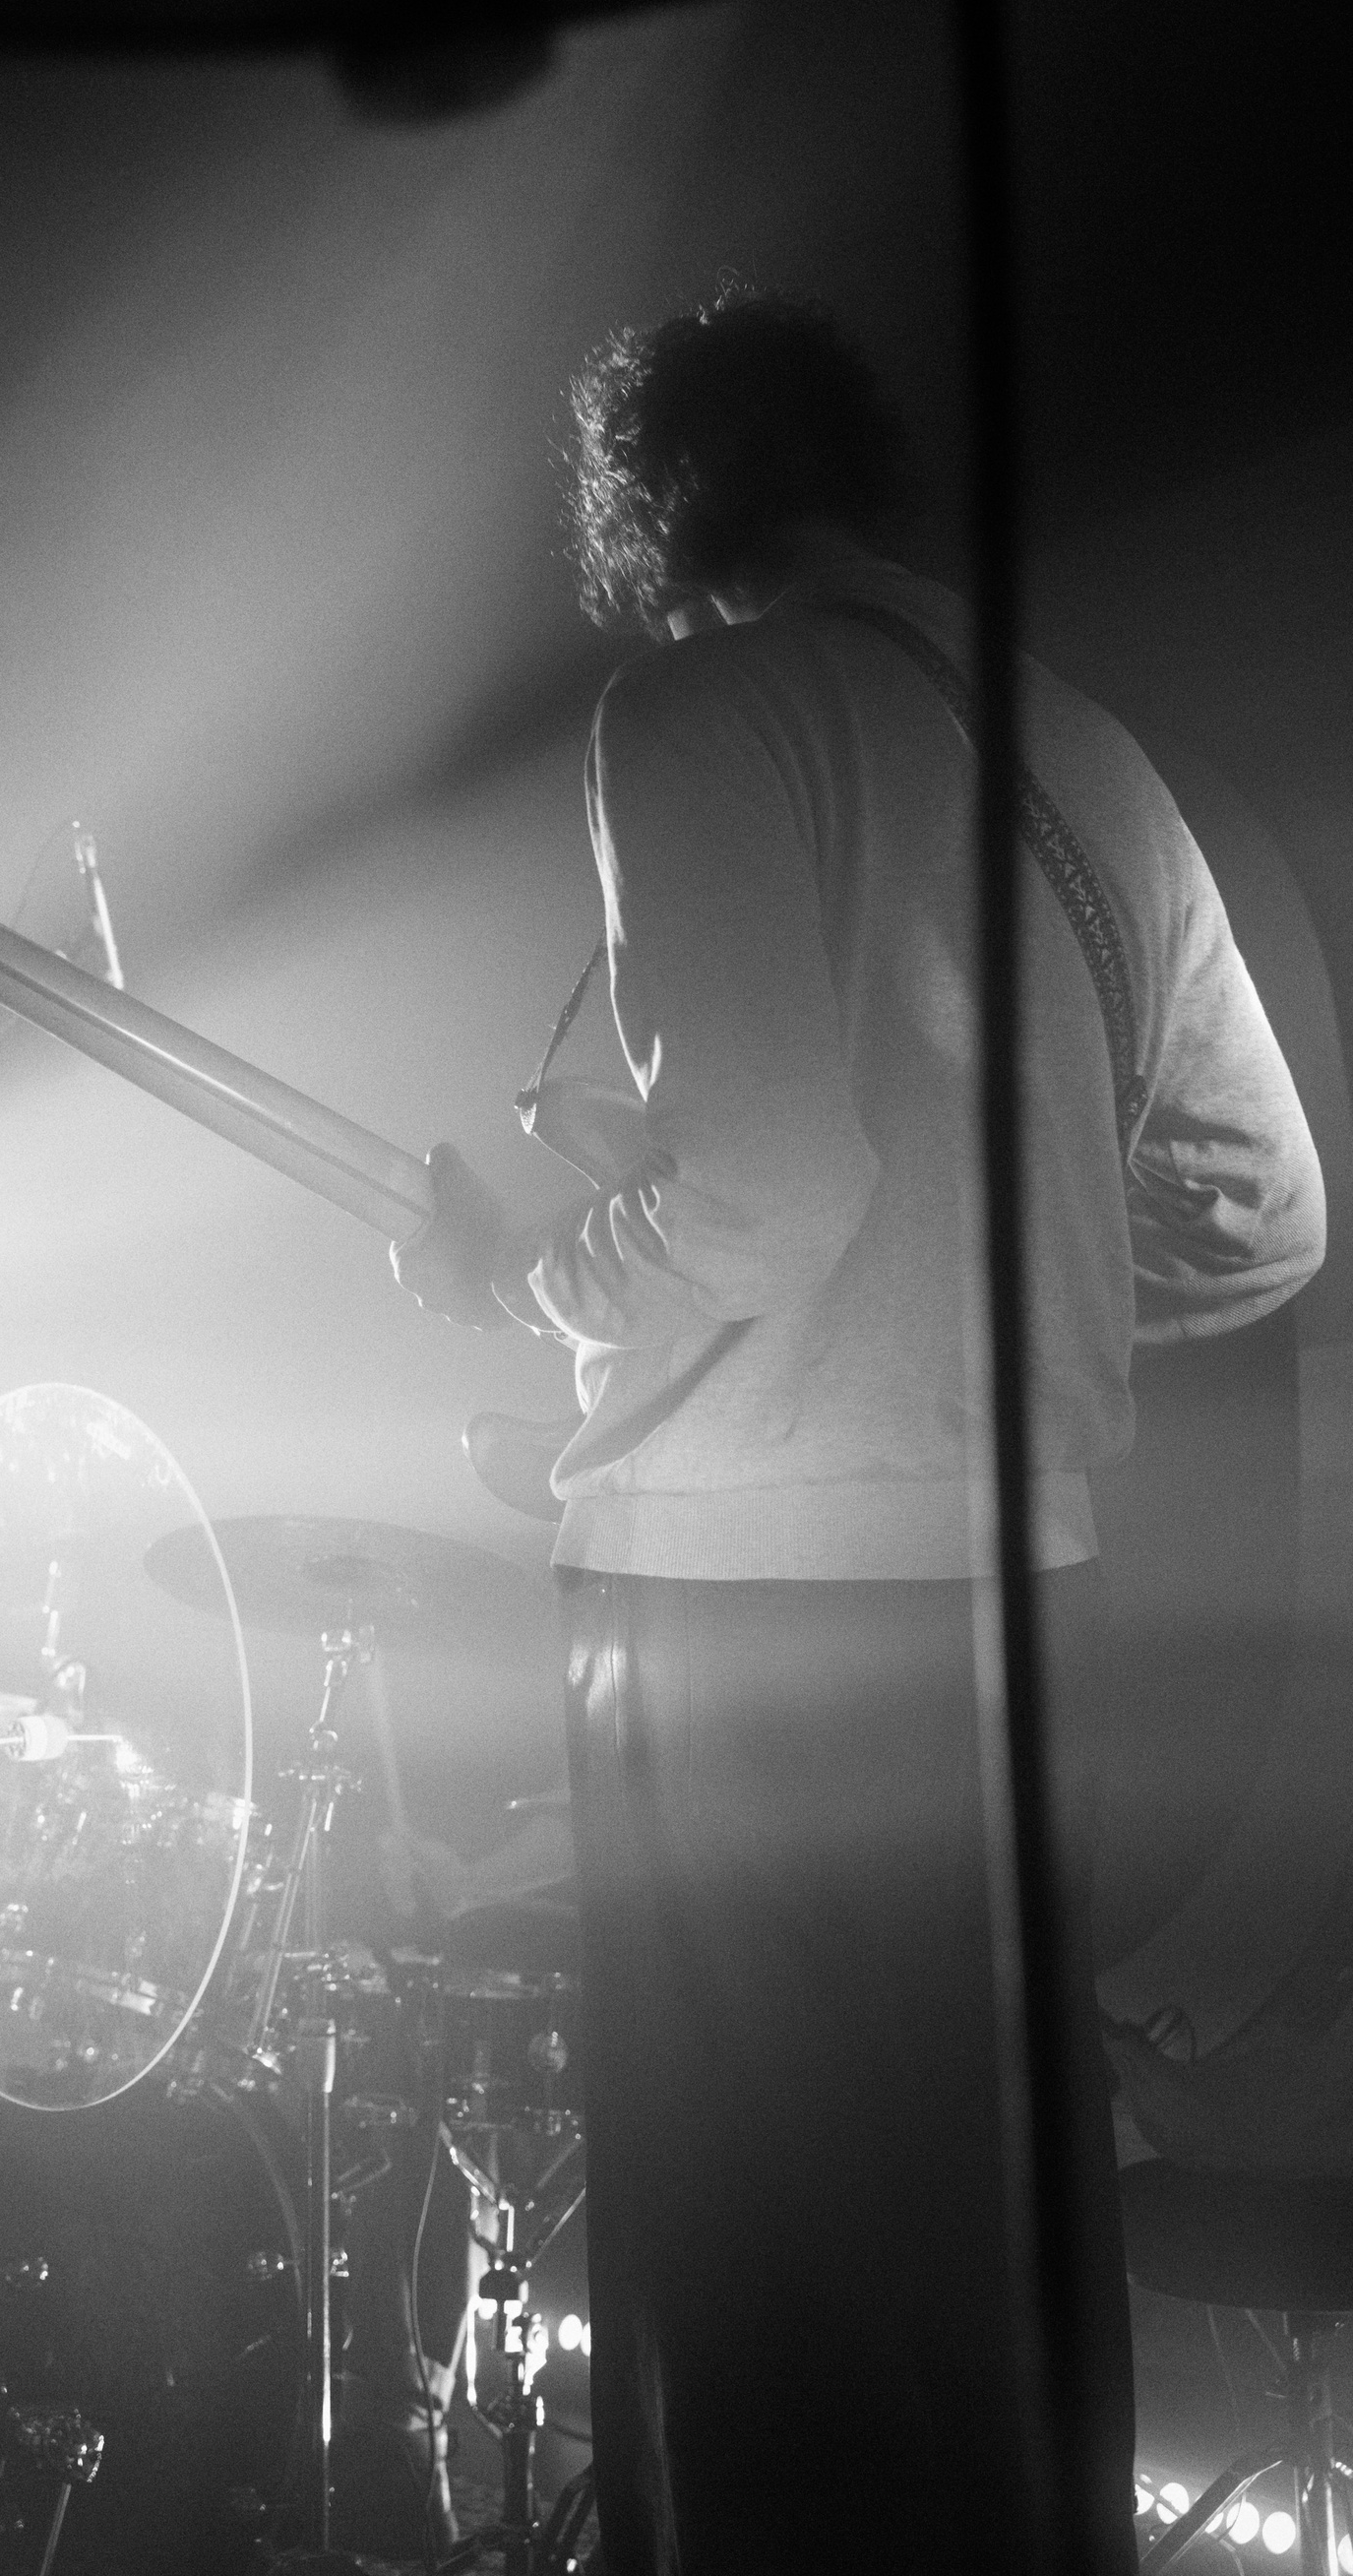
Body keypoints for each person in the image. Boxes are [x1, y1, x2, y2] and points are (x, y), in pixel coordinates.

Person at [391, 285, 1326, 2575]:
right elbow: (1267, 1213)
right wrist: (1008, 1324)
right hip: (1028, 1607)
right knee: (985, 2264)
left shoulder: (700, 705)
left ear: (642, 514)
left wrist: (528, 1276)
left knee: (754, 2299)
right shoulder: (1089, 754)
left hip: (736, 1620)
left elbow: (767, 1192)